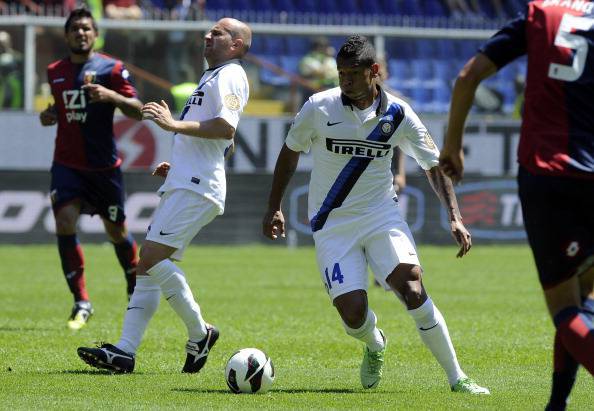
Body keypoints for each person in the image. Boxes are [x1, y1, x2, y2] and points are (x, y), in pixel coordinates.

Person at [262, 35, 489, 394]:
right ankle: (374, 343)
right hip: (332, 223)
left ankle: (457, 377)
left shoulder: (399, 113)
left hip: (381, 215)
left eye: (353, 73)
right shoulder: (319, 107)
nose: (346, 80)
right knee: (353, 314)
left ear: (374, 71)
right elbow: (289, 153)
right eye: (341, 73)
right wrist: (274, 206)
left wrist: (454, 216)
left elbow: (432, 165)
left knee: (412, 285)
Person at [439, 2, 594, 410]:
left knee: (564, 305)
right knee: (584, 296)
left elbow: (468, 76)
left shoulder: (540, 13)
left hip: (548, 172)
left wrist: (453, 144)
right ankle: (556, 404)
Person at [76, 17, 252, 374]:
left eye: (217, 33)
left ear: (236, 45)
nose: (207, 35)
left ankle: (200, 332)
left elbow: (225, 128)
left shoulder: (231, 74)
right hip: (187, 180)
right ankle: (125, 351)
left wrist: (173, 124)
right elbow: (226, 145)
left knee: (152, 259)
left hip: (198, 186)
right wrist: (181, 164)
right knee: (146, 267)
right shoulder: (211, 76)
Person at [39, 8, 142, 330]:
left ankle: (134, 287)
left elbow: (138, 110)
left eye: (86, 28)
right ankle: (81, 301)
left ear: (95, 34)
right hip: (67, 164)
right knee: (64, 222)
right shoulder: (54, 71)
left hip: (103, 168)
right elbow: (61, 108)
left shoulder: (112, 69)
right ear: (66, 35)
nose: (81, 33)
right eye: (75, 29)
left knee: (117, 232)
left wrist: (110, 95)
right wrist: (50, 115)